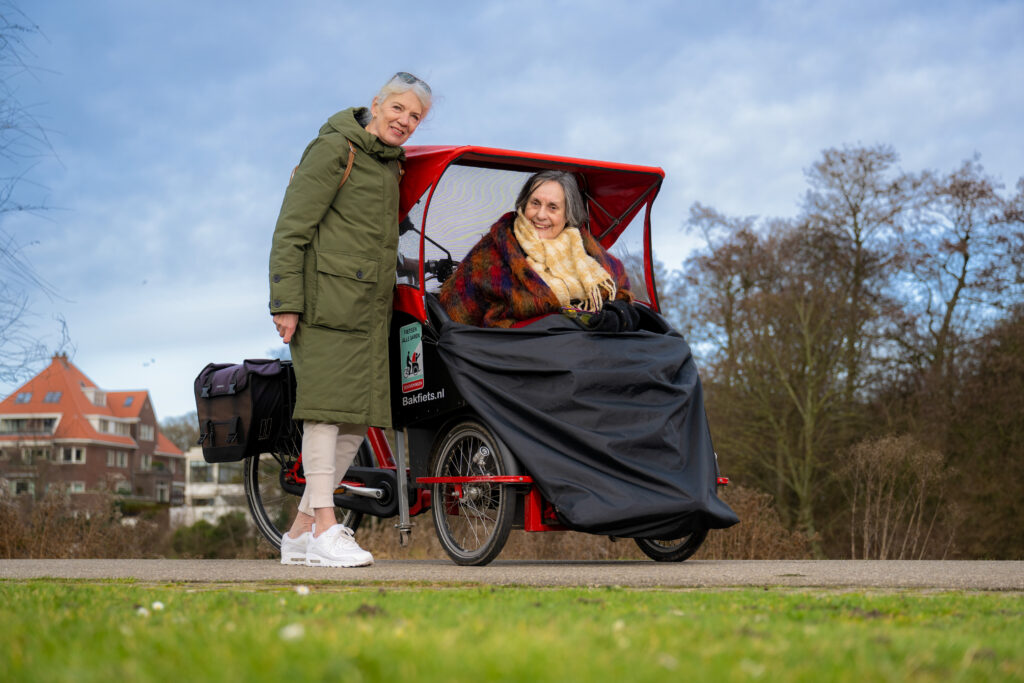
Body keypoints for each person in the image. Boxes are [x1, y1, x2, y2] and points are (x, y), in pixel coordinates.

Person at [268, 72, 432, 567]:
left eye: (415, 117)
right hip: (325, 305)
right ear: (377, 103)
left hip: (367, 312)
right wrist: (286, 302)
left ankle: (297, 534)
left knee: (358, 422)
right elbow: (292, 228)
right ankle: (324, 526)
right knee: (325, 413)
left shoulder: (390, 165)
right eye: (398, 108)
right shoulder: (336, 149)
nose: (404, 121)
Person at [439, 170, 633, 328]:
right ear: (523, 205)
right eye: (535, 203)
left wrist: (615, 313)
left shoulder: (592, 256)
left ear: (568, 214)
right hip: (513, 358)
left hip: (584, 357)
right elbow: (455, 313)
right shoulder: (491, 252)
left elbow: (621, 292)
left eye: (553, 207)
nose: (541, 215)